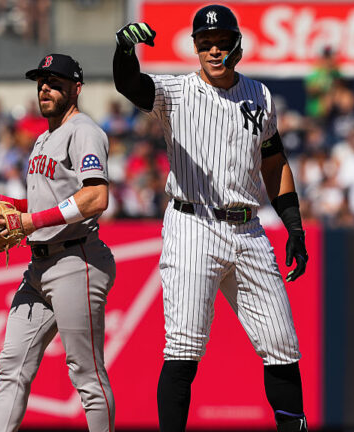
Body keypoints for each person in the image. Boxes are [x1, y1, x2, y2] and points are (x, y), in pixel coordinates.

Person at [113, 5, 309, 432]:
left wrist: (293, 224)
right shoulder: (178, 92)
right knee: (183, 347)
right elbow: (130, 83)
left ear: (236, 45)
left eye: (221, 42)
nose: (213, 50)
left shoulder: (260, 94)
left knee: (282, 346)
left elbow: (273, 160)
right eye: (205, 43)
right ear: (195, 47)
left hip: (249, 227)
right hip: (192, 224)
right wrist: (124, 50)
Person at [0, 54, 116, 432]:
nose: (45, 87)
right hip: (41, 266)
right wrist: (3, 202)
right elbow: (46, 205)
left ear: (76, 87)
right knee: (12, 366)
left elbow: (96, 198)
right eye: (41, 81)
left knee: (86, 375)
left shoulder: (84, 131)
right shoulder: (44, 138)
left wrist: (27, 222)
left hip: (77, 260)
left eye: (55, 80)